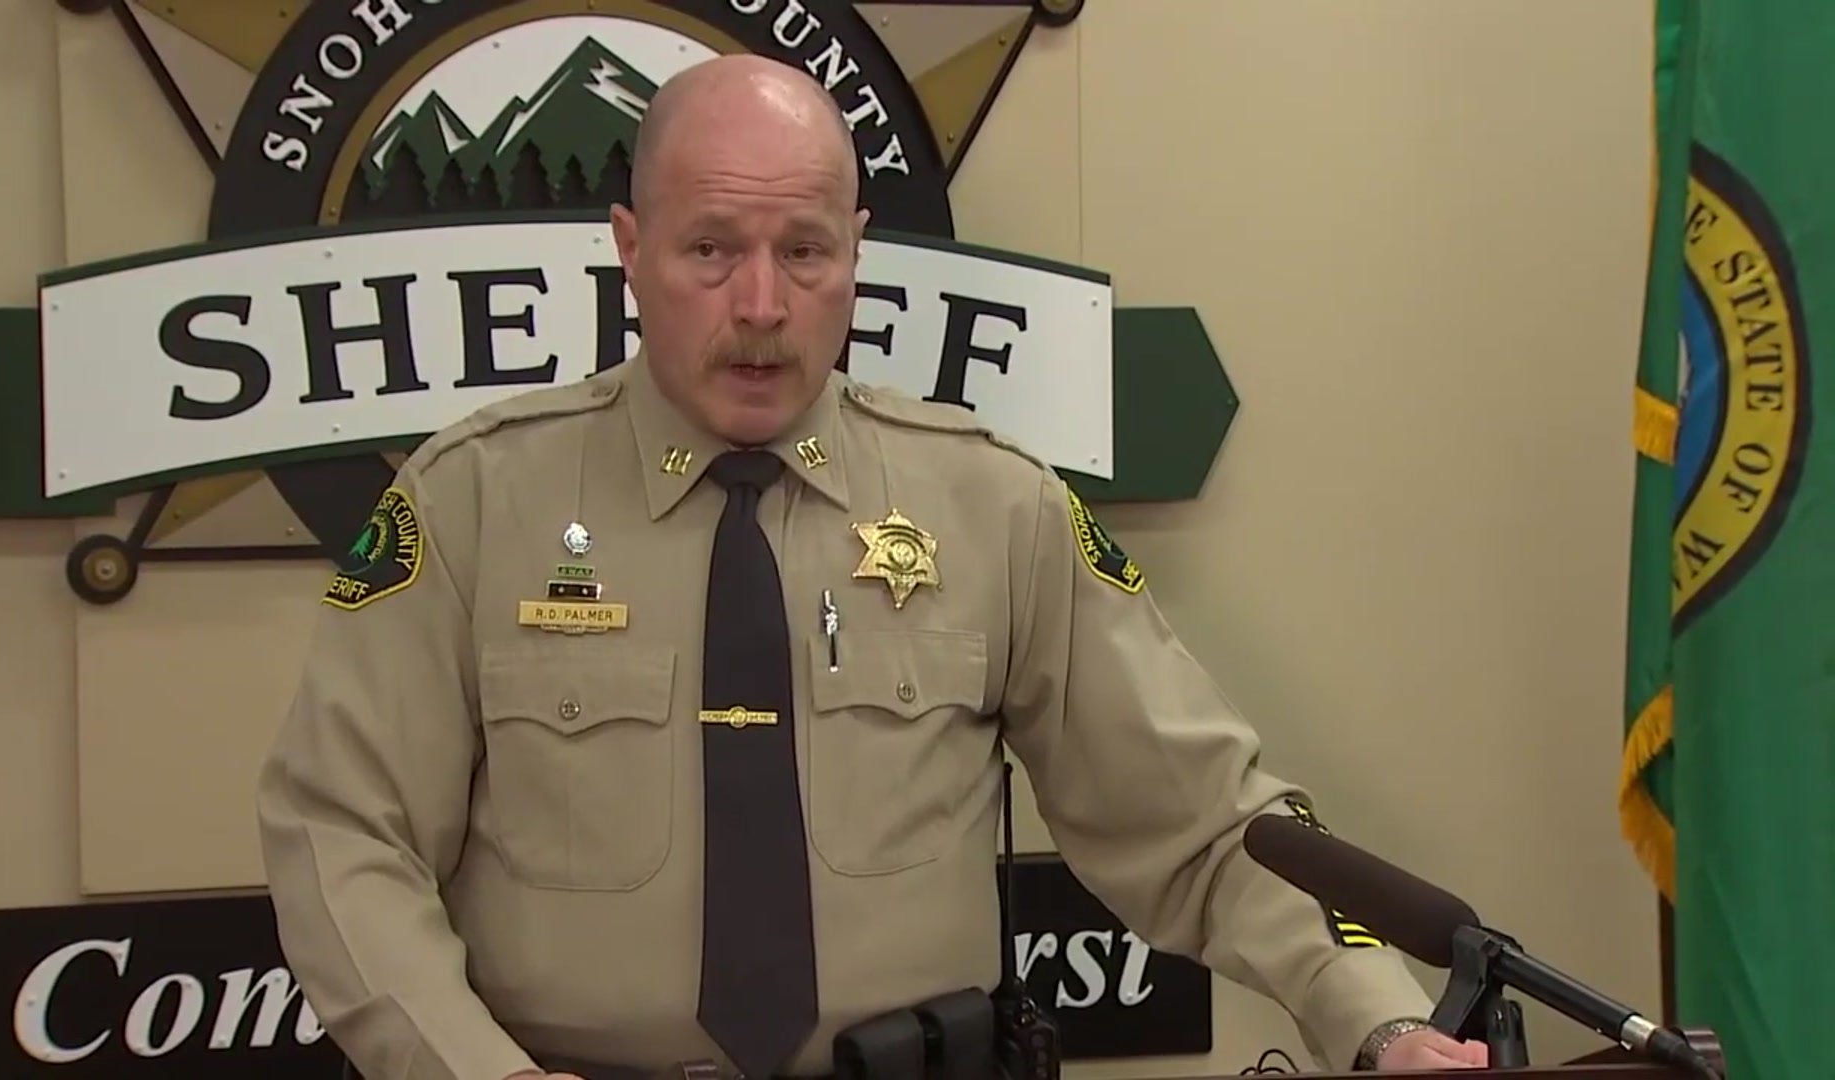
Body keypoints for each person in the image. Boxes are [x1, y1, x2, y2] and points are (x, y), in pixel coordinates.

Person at [254, 54, 1490, 1080]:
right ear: (629, 248)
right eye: (709, 250)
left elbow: (1211, 823)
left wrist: (1379, 1022)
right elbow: (342, 832)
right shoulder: (473, 503)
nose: (760, 303)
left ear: (854, 251)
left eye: (803, 252)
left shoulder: (991, 505)